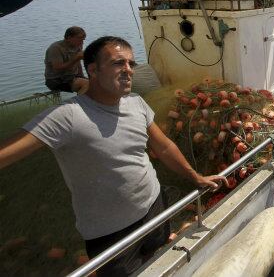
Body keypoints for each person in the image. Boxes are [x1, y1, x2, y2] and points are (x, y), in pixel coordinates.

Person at [0, 36, 224, 276]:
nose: (128, 70)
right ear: (93, 70)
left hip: (155, 207)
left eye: (131, 63)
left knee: (161, 260)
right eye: (118, 63)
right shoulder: (67, 116)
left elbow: (164, 147)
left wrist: (196, 177)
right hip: (110, 234)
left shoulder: (137, 103)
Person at [44, 26, 89, 94]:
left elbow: (78, 63)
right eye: (79, 39)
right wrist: (76, 58)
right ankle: (79, 103)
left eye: (83, 39)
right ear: (69, 38)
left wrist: (81, 76)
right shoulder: (55, 48)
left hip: (72, 77)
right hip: (56, 80)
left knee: (95, 83)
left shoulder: (77, 46)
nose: (82, 42)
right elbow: (57, 68)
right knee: (86, 84)